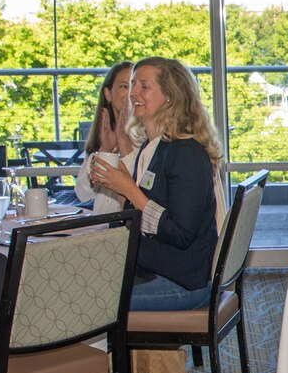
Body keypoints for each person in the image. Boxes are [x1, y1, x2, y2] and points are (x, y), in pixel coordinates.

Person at [89, 56, 220, 312]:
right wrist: (120, 188)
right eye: (131, 85)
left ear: (169, 95)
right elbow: (142, 217)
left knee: (90, 303)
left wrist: (129, 190)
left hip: (181, 283)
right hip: (153, 269)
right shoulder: (154, 147)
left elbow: (180, 234)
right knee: (79, 281)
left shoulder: (186, 153)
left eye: (143, 87)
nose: (133, 93)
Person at [73, 61, 140, 214]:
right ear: (108, 94)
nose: (132, 93)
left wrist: (124, 142)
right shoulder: (104, 136)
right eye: (124, 86)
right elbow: (83, 194)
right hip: (104, 227)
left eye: (135, 86)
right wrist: (105, 151)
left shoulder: (149, 137)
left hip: (131, 228)